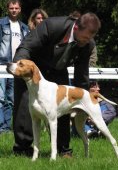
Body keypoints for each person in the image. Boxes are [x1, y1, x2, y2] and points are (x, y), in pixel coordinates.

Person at [12, 12, 101, 157]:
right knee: (25, 107)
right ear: (76, 28)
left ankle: (63, 150)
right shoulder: (52, 25)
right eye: (85, 38)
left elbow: (81, 74)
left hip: (58, 71)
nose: (87, 41)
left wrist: (84, 102)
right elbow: (26, 46)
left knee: (63, 109)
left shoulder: (88, 43)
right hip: (33, 69)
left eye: (90, 39)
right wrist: (19, 67)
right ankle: (23, 150)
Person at [0, 0, 28, 133]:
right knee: (0, 97)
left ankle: (6, 128)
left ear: (20, 9)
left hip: (16, 67)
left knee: (11, 99)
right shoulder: (1, 24)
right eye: (11, 8)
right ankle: (0, 127)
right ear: (8, 9)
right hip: (1, 65)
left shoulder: (24, 27)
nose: (14, 10)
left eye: (16, 8)